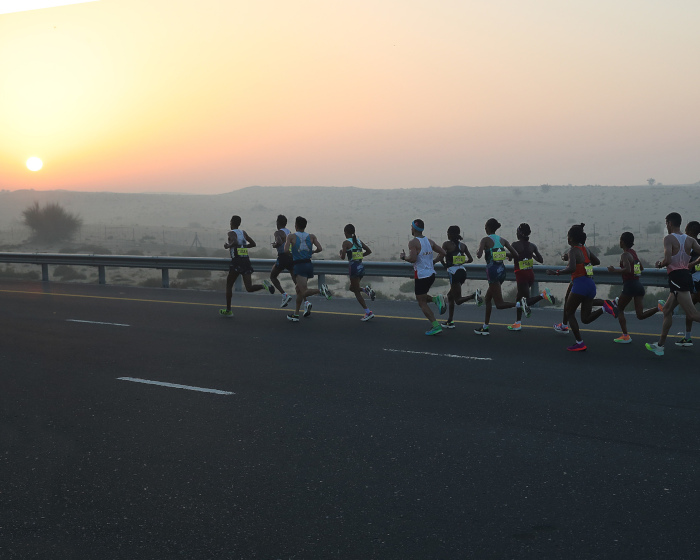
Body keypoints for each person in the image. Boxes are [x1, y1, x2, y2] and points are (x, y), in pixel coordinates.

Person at [546, 223, 612, 351]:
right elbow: (596, 262)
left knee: (569, 312)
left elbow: (571, 268)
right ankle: (604, 308)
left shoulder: (572, 250)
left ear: (570, 238)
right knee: (585, 318)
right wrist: (579, 261)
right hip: (590, 284)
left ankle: (579, 343)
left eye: (568, 236)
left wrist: (556, 272)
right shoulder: (585, 249)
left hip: (580, 285)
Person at [645, 213, 700, 356]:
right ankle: (660, 346)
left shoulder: (668, 238)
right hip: (683, 277)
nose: (666, 226)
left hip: (678, 278)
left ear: (669, 223)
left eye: (666, 223)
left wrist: (659, 264)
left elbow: (668, 260)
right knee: (667, 310)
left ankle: (660, 346)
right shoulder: (690, 240)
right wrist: (693, 263)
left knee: (692, 314)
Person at [605, 231, 661, 343]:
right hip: (638, 285)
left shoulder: (625, 254)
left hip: (630, 285)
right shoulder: (633, 253)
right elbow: (641, 268)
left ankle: (625, 336)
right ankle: (659, 308)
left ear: (623, 242)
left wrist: (614, 270)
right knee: (640, 315)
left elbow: (627, 269)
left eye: (620, 240)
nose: (619, 242)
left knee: (619, 309)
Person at [474, 218, 525, 335]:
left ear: (487, 227)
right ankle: (485, 327)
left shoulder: (485, 240)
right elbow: (515, 255)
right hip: (502, 271)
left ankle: (520, 304)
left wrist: (480, 251)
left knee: (499, 304)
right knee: (487, 299)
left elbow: (479, 254)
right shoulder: (502, 240)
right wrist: (504, 254)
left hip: (492, 272)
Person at [220, 215, 274, 317]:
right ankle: (264, 286)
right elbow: (253, 244)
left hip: (237, 261)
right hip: (246, 260)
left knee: (229, 286)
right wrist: (244, 246)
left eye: (230, 222)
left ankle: (228, 310)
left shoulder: (231, 233)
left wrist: (228, 245)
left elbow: (235, 241)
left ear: (231, 222)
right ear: (239, 224)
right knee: (249, 287)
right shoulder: (243, 232)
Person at [400, 219, 447, 336]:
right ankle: (436, 299)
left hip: (421, 276)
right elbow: (443, 253)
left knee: (421, 302)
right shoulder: (429, 241)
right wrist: (434, 262)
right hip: (431, 275)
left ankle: (436, 326)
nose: (411, 229)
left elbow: (413, 259)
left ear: (414, 228)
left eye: (411, 227)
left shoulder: (413, 243)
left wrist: (403, 257)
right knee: (423, 297)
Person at [508, 223, 555, 331]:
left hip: (521, 275)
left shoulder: (515, 245)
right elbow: (541, 260)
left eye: (517, 232)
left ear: (520, 233)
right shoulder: (532, 246)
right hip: (530, 274)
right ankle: (518, 323)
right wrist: (531, 254)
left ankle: (543, 295)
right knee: (519, 299)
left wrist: (505, 255)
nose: (516, 233)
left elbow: (511, 256)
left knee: (524, 301)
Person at [283, 216, 331, 322]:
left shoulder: (291, 236)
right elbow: (320, 248)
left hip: (299, 265)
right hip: (308, 265)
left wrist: (292, 254)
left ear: (296, 225)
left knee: (303, 291)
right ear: (305, 226)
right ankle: (296, 315)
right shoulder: (312, 236)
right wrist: (312, 252)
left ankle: (321, 290)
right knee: (298, 290)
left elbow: (285, 250)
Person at [438, 225, 482, 328]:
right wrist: (461, 262)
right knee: (450, 296)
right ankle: (450, 321)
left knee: (457, 300)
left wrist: (445, 265)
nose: (447, 234)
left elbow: (441, 256)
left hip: (454, 273)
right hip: (462, 272)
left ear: (450, 234)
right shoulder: (463, 246)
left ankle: (473, 296)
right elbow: (470, 259)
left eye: (448, 232)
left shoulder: (446, 244)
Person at [339, 224, 374, 321]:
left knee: (356, 292)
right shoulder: (358, 241)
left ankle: (368, 312)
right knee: (352, 288)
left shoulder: (346, 242)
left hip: (353, 268)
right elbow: (369, 251)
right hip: (361, 267)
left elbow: (342, 257)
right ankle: (365, 290)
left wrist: (341, 252)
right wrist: (359, 255)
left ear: (346, 232)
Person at [675, 220, 700, 347]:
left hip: (694, 282)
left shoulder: (689, 244)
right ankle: (687, 337)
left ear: (690, 231)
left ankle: (688, 337)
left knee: (690, 311)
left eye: (686, 229)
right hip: (694, 282)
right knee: (690, 311)